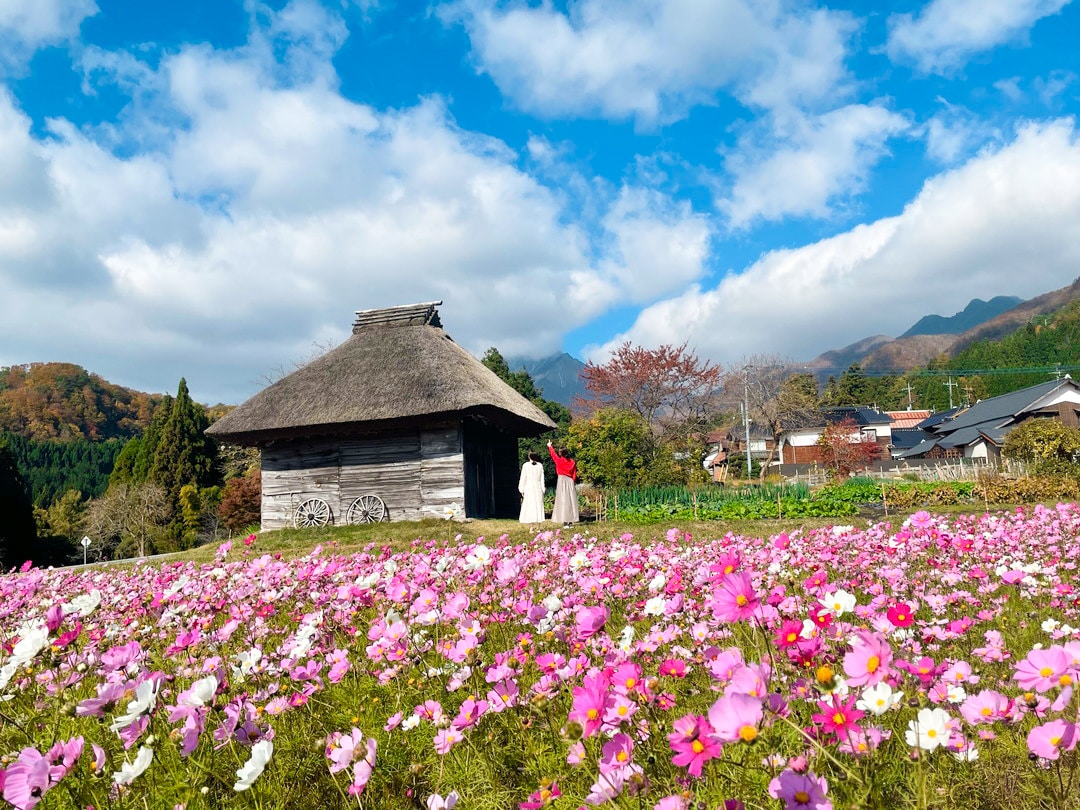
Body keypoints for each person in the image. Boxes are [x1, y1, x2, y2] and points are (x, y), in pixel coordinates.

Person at [547, 440, 579, 528]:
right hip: (570, 481)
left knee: (563, 501)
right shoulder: (572, 462)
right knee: (571, 500)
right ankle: (570, 521)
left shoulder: (559, 461)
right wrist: (573, 481)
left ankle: (565, 522)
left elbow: (553, 454)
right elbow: (574, 473)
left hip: (562, 481)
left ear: (560, 453)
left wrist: (550, 446)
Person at [517, 450, 545, 530]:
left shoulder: (526, 465)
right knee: (538, 505)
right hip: (537, 486)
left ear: (529, 457)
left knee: (531, 506)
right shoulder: (539, 465)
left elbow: (523, 478)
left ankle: (532, 527)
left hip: (529, 487)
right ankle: (538, 527)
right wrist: (543, 488)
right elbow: (542, 478)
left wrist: (521, 489)